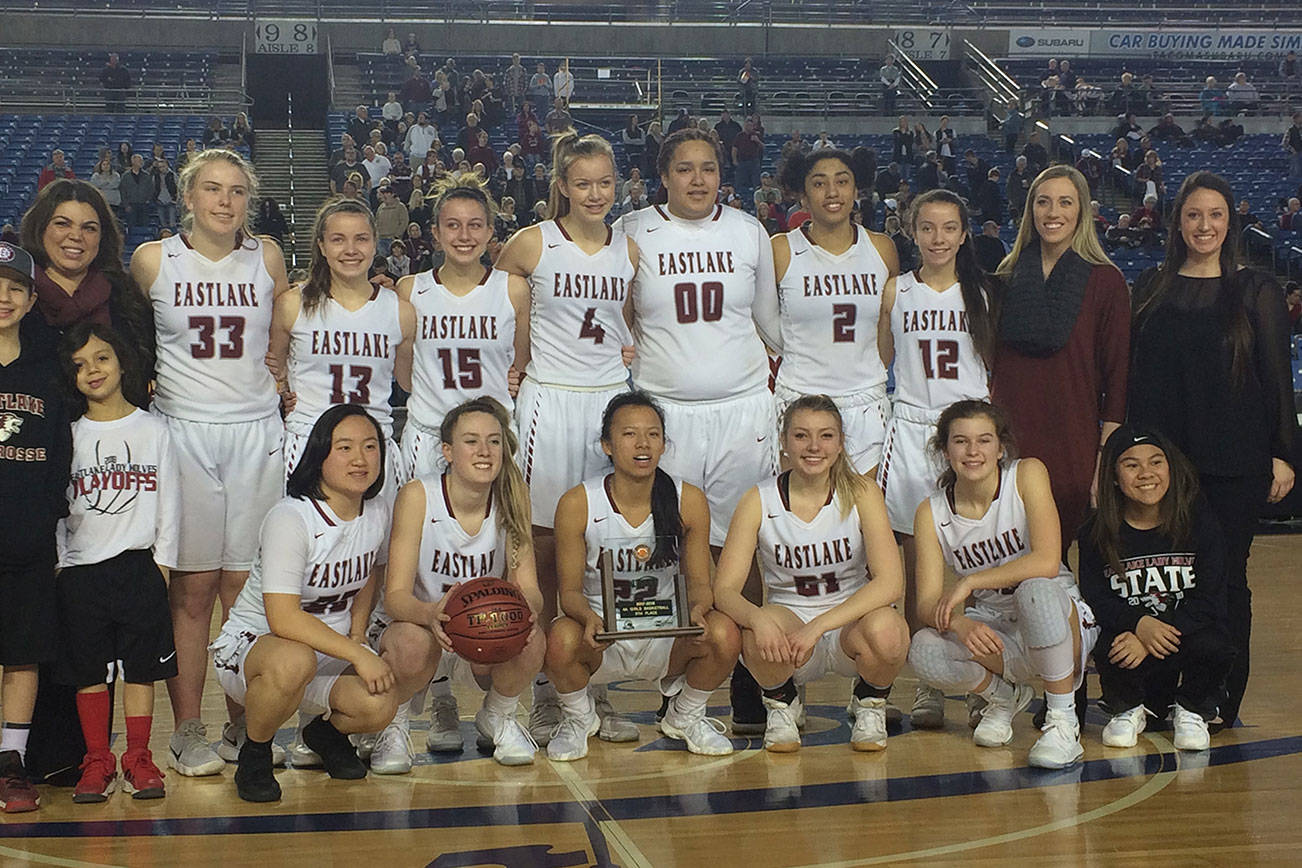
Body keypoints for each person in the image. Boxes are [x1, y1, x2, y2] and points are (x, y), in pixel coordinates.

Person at [130, 149, 291, 778]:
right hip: (183, 432)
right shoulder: (154, 260)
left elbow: (285, 336)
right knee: (193, 592)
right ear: (189, 197)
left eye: (237, 191)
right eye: (213, 189)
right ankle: (187, 731)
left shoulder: (267, 257)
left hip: (256, 432)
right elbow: (131, 339)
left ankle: (240, 726)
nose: (226, 201)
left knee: (244, 593)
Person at [618, 127, 781, 734]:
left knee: (745, 548)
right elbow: (617, 318)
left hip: (743, 409)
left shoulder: (748, 231)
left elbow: (770, 323)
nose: (697, 179)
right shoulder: (633, 231)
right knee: (674, 548)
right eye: (684, 168)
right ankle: (677, 679)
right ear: (663, 176)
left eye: (707, 168)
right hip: (667, 413)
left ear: (721, 173)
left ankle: (749, 678)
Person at [1128, 171, 1297, 728]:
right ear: (1178, 222)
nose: (1205, 226)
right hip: (1162, 465)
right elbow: (1135, 378)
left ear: (1230, 222)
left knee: (1224, 578)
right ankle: (1158, 692)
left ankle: (1216, 694)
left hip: (1234, 462)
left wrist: (1283, 453)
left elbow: (1276, 377)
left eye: (1216, 215)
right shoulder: (1150, 285)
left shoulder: (1256, 289)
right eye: (1194, 215)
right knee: (1160, 578)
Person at [494, 131, 638, 742]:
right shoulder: (532, 244)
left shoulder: (629, 248)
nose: (595, 193)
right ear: (562, 186)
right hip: (549, 402)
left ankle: (589, 681)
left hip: (609, 399)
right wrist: (512, 366)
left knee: (604, 544)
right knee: (547, 544)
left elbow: (630, 320)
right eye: (583, 183)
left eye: (604, 182)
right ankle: (548, 689)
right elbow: (494, 310)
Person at [210, 404, 397, 802]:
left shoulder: (377, 509)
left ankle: (324, 735)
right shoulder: (291, 517)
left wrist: (359, 635)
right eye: (344, 448)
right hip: (254, 648)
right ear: (319, 455)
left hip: (325, 649)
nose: (360, 458)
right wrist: (357, 653)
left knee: (381, 702)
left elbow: (371, 574)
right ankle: (255, 753)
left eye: (370, 446)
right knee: (295, 660)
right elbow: (283, 619)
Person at [544, 391, 739, 760]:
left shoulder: (688, 499)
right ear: (607, 445)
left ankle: (686, 715)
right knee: (559, 638)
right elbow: (568, 592)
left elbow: (700, 583)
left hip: (665, 633)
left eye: (652, 434)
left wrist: (697, 610)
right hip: (603, 635)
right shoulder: (578, 503)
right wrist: (587, 618)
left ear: (664, 443)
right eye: (629, 434)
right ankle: (579, 718)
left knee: (723, 633)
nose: (642, 444)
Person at [907, 400, 1099, 768]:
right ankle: (1003, 696)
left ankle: (1063, 722)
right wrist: (959, 623)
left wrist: (971, 581)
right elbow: (926, 603)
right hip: (996, 626)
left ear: (1000, 447)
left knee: (1034, 590)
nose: (973, 451)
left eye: (984, 440)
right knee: (924, 649)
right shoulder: (931, 511)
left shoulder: (1026, 474)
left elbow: (1046, 561)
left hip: (1057, 613)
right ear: (945, 451)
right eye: (961, 441)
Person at [713, 396, 907, 752]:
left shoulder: (863, 493)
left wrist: (819, 626)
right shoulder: (758, 500)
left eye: (826, 436)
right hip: (791, 627)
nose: (814, 446)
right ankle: (782, 704)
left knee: (890, 631)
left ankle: (869, 703)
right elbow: (724, 591)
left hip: (849, 627)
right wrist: (757, 618)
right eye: (801, 436)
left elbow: (890, 583)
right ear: (784, 442)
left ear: (841, 443)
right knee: (755, 631)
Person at [369, 397, 545, 769]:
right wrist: (432, 614)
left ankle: (498, 715)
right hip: (420, 628)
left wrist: (522, 613)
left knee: (532, 636)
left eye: (494, 441)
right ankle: (394, 725)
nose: (484, 451)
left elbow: (530, 589)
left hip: (479, 632)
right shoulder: (418, 496)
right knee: (411, 644)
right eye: (471, 441)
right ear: (448, 451)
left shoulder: (513, 496)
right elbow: (395, 596)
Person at [877, 190, 995, 728]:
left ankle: (979, 679)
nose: (938, 238)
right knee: (914, 565)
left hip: (968, 433)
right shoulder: (896, 290)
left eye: (949, 228)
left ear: (964, 234)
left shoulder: (984, 294)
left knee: (976, 560)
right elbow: (883, 357)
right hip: (911, 429)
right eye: (927, 228)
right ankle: (929, 678)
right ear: (912, 232)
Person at [54, 323, 178, 803]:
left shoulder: (154, 430)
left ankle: (138, 758)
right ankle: (97, 759)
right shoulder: (69, 435)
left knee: (140, 670)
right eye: (79, 364)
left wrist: (163, 565)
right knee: (89, 672)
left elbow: (170, 503)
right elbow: (56, 507)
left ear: (123, 361)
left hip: (139, 565)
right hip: (82, 571)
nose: (92, 370)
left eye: (102, 357)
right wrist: (62, 564)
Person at [992, 165, 1130, 552]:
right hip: (1010, 440)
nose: (1053, 212)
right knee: (1008, 564)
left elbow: (1117, 379)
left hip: (1074, 443)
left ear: (1081, 210)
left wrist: (1104, 458)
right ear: (1031, 210)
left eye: (1065, 202)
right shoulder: (1005, 276)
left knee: (1064, 563)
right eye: (1044, 202)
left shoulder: (1106, 281)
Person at [1078, 427, 1235, 751]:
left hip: (1182, 634)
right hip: (1131, 638)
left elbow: (1211, 598)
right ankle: (1127, 707)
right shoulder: (1096, 532)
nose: (1146, 473)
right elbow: (1096, 598)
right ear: (1113, 476)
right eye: (1131, 465)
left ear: (1170, 468)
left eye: (1156, 462)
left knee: (1216, 642)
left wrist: (1157, 630)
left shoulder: (1199, 523)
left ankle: (1193, 709)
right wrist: (1138, 625)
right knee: (1108, 643)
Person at [268, 197, 414, 503]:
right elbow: (271, 370)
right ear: (321, 246)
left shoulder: (399, 311)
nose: (351, 249)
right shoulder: (292, 304)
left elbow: (410, 381)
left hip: (374, 445)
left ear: (375, 243)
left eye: (361, 239)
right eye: (338, 240)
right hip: (309, 442)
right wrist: (282, 393)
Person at [773, 150, 898, 479]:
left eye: (842, 182)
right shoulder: (781, 250)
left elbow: (888, 330)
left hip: (865, 401)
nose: (832, 192)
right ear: (802, 195)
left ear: (856, 190)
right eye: (819, 184)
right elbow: (762, 324)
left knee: (865, 507)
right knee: (803, 506)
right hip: (800, 399)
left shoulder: (882, 248)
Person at [0, 241, 71, 813]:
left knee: (22, 654)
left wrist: (47, 521)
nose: (4, 297)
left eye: (15, 288)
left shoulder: (47, 372)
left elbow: (59, 457)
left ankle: (12, 761)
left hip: (27, 539)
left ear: (29, 301)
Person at [19, 179, 156, 368]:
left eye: (89, 228)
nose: (76, 236)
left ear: (102, 236)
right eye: (62, 224)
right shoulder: (16, 297)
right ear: (40, 229)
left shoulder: (127, 299)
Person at [152, 157, 179, 231]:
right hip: (160, 201)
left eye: (163, 166)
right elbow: (154, 188)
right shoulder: (156, 176)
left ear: (167, 166)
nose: (162, 169)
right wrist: (155, 198)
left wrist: (175, 198)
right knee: (162, 224)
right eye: (160, 167)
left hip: (171, 201)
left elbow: (178, 188)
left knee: (172, 223)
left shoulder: (173, 175)